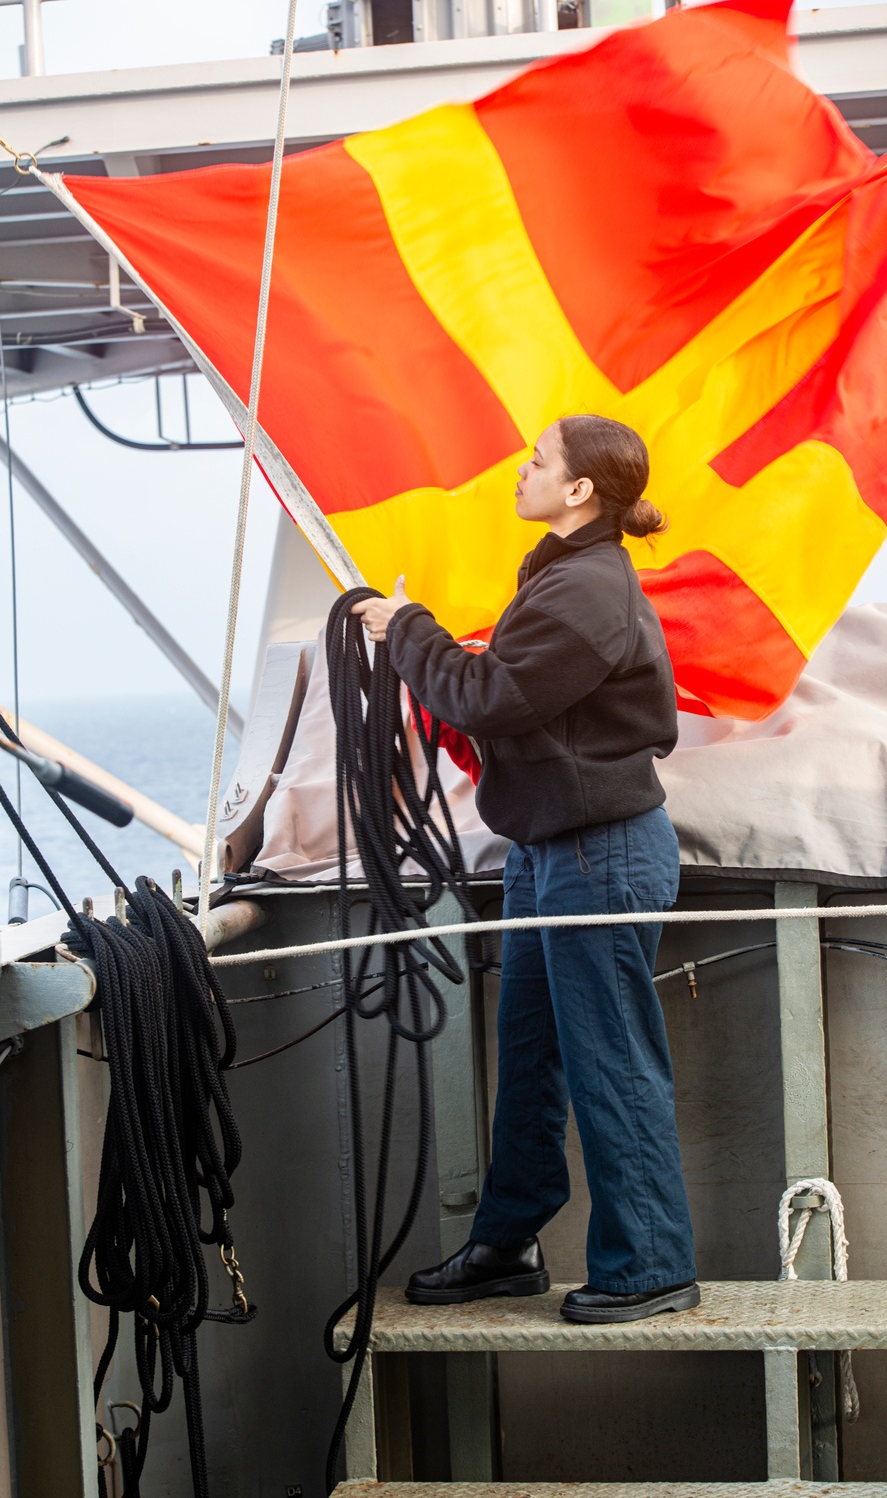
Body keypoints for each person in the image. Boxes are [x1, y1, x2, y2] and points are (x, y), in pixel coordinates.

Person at [351, 414, 697, 1325]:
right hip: (551, 849)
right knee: (536, 1054)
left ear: (580, 490)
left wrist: (408, 631)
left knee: (612, 1061)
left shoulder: (589, 592)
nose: (522, 468)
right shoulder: (561, 578)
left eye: (539, 460)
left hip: (599, 852)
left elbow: (490, 698)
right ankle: (508, 1243)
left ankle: (653, 1265)